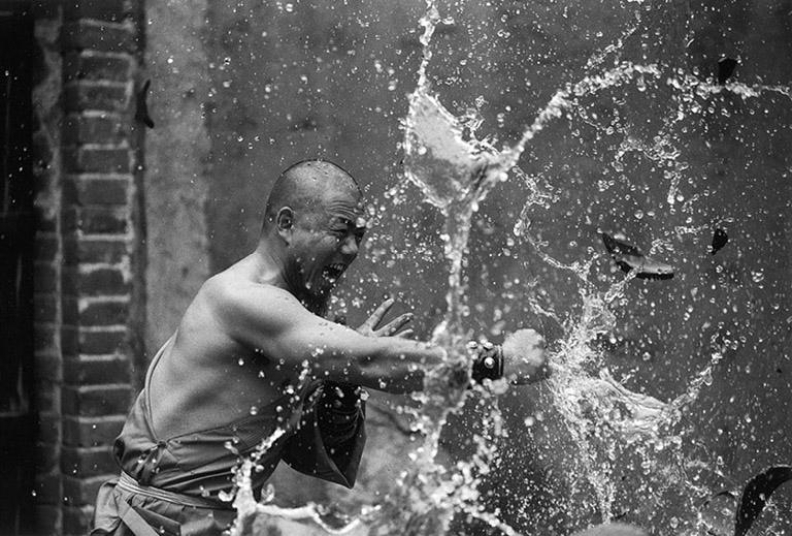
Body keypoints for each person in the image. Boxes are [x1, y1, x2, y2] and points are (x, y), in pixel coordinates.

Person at [91, 159, 549, 535]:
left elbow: (310, 456)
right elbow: (371, 360)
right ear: (287, 225)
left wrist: (343, 384)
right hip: (158, 522)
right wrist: (498, 361)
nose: (351, 250)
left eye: (360, 236)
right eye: (339, 231)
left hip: (212, 523)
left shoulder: (293, 316)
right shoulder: (242, 299)